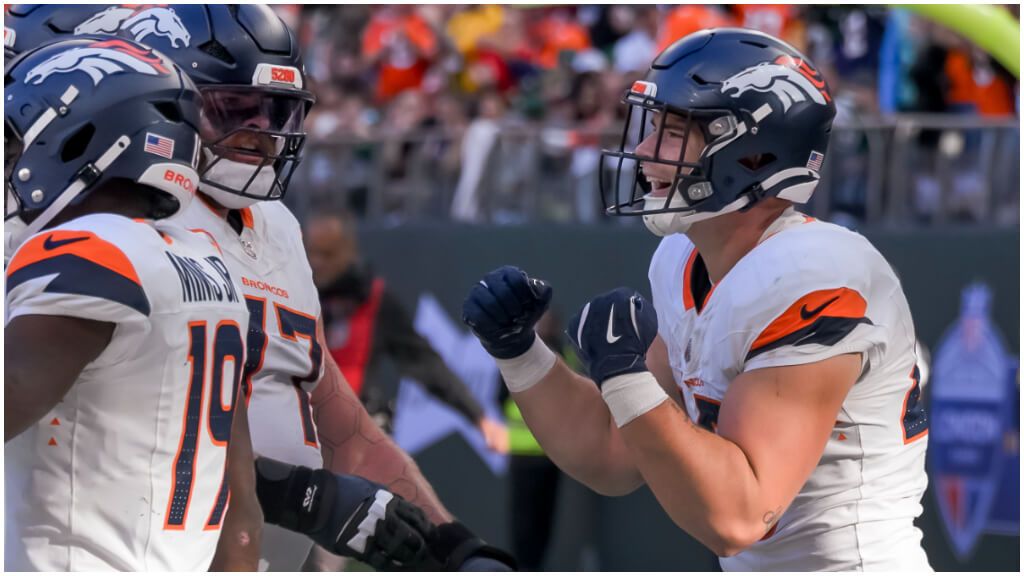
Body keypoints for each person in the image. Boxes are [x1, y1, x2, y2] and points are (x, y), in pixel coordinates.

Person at [4, 5, 512, 572]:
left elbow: (330, 414)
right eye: (233, 109)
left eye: (276, 112)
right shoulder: (99, 221)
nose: (262, 133)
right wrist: (304, 498)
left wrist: (452, 547)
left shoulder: (273, 226)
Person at [463, 28, 930, 571]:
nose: (642, 150)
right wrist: (521, 354)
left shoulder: (817, 275)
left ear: (753, 154)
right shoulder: (683, 259)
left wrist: (626, 376)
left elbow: (738, 516)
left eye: (670, 131)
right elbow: (613, 452)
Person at [4, 36, 260, 571]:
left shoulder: (88, 251)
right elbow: (240, 517)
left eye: (13, 147)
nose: (11, 165)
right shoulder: (211, 262)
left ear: (77, 141)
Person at [304, 210, 508, 451]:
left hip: (352, 436)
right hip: (300, 428)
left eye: (328, 254)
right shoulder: (295, 294)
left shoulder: (374, 299)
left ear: (350, 251)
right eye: (312, 253)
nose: (317, 262)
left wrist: (478, 417)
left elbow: (424, 362)